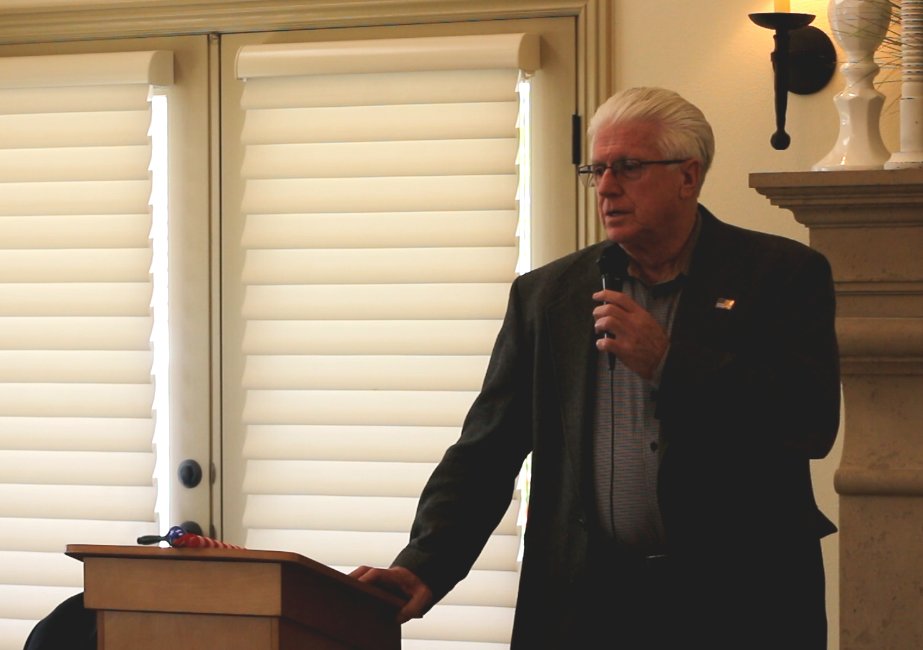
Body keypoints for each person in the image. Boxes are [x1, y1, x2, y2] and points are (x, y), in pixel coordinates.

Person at [352, 87, 840, 649]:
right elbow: (487, 449)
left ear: (688, 176)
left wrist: (669, 363)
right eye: (598, 169)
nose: (607, 187)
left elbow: (809, 422)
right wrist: (424, 563)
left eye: (628, 168)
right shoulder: (549, 295)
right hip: (587, 604)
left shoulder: (781, 276)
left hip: (740, 602)